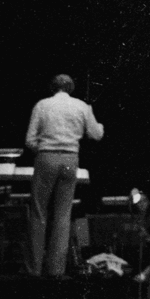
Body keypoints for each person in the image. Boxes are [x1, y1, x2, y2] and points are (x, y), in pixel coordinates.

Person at [23, 75, 104, 277]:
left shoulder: (42, 105)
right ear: (71, 88)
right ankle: (56, 271)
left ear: (52, 87)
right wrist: (99, 124)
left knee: (39, 213)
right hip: (70, 159)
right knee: (63, 215)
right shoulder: (81, 106)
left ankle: (34, 269)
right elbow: (96, 134)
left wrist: (43, 150)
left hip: (46, 157)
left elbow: (30, 140)